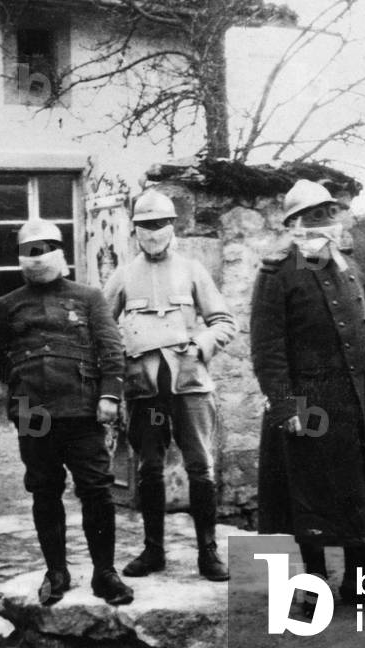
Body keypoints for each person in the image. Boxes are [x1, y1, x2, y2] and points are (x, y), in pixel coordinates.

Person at [251, 179, 365, 612]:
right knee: (310, 493)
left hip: (359, 398)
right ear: (293, 224)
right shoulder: (277, 274)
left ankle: (360, 582)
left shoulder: (352, 267)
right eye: (312, 217)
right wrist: (284, 404)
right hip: (310, 403)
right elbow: (267, 347)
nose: (324, 225)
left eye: (329, 214)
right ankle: (314, 584)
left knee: (363, 489)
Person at [0, 219, 133, 606]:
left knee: (97, 490)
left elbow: (111, 350)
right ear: (19, 257)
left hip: (82, 409)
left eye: (45, 247)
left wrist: (109, 396)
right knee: (44, 491)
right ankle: (56, 571)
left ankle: (104, 573)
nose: (38, 256)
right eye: (30, 250)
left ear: (60, 251)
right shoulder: (8, 305)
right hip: (32, 410)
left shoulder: (89, 297)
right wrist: (18, 379)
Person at [103, 189, 237, 582]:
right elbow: (103, 327)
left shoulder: (193, 270)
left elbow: (225, 322)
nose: (153, 232)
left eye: (160, 224)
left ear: (173, 226)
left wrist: (201, 345)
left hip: (190, 387)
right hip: (145, 391)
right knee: (148, 469)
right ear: (134, 230)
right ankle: (153, 550)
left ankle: (208, 553)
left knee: (201, 468)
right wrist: (123, 353)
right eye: (145, 225)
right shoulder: (123, 275)